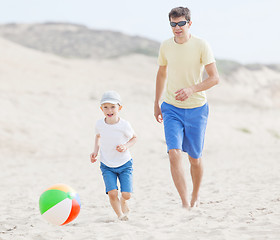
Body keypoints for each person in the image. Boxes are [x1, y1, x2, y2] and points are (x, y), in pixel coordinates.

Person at [153, 7, 220, 209]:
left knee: (195, 159)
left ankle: (195, 195)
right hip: (171, 107)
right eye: (173, 24)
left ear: (189, 24)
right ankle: (184, 203)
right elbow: (161, 74)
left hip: (196, 109)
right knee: (173, 153)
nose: (177, 28)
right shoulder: (165, 46)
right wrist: (156, 103)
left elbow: (215, 78)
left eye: (181, 23)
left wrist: (192, 89)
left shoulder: (201, 45)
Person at [90, 90, 137, 221]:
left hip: (125, 164)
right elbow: (98, 137)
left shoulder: (124, 125)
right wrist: (95, 152)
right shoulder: (99, 124)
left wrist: (125, 146)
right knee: (112, 193)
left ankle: (123, 201)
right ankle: (120, 215)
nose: (109, 110)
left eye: (112, 107)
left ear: (119, 108)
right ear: (101, 109)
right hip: (107, 165)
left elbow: (134, 138)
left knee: (127, 194)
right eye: (105, 107)